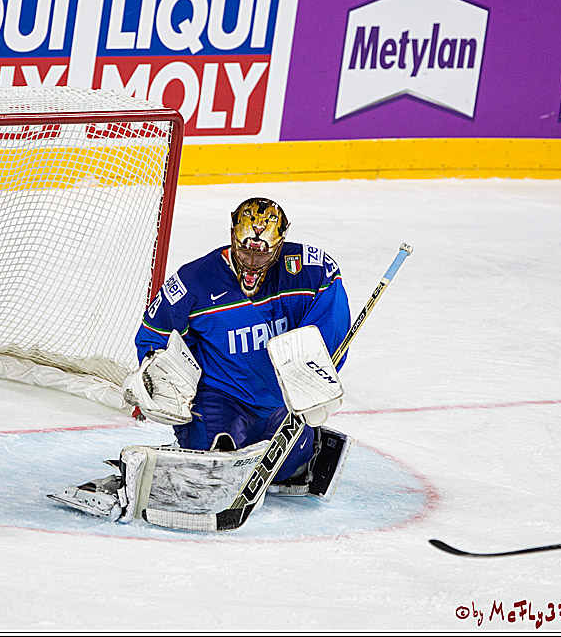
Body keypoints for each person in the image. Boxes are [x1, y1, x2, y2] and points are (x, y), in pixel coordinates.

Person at [49, 197, 354, 522]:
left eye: (262, 253)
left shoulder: (309, 271)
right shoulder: (195, 281)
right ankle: (136, 479)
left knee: (292, 459)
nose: (251, 261)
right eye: (244, 250)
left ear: (279, 245)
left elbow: (331, 308)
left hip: (282, 405)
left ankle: (305, 448)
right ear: (232, 237)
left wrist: (315, 378)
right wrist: (157, 377)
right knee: (206, 472)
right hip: (220, 403)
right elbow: (153, 333)